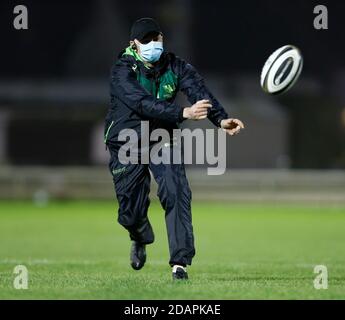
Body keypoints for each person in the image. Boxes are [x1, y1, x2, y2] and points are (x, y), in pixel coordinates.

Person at [104, 17, 244, 280]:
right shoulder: (122, 71)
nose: (153, 44)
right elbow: (142, 103)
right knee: (129, 213)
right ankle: (139, 234)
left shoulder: (176, 66)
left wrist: (221, 119)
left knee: (176, 191)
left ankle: (180, 263)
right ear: (133, 44)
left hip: (161, 137)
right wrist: (183, 112)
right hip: (127, 141)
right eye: (146, 40)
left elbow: (200, 92)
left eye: (157, 38)